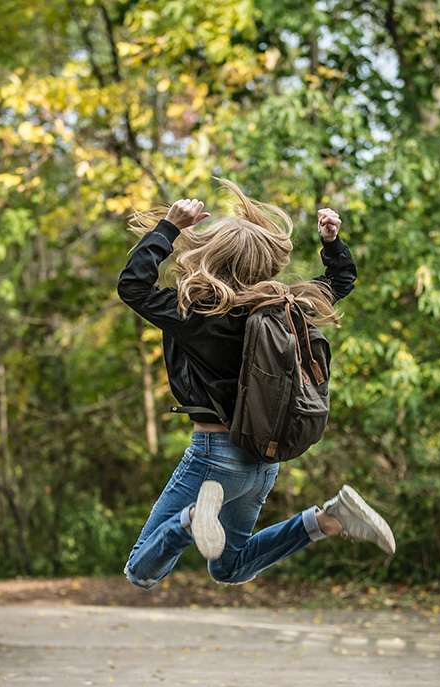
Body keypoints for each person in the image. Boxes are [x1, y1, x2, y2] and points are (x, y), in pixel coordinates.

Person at [118, 179, 395, 590]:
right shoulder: (288, 307)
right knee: (229, 568)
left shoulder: (194, 313)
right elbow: (340, 282)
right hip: (262, 461)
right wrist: (332, 243)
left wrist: (169, 227)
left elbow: (133, 286)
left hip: (213, 458)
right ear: (265, 261)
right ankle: (329, 519)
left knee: (140, 571)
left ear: (211, 255)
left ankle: (193, 519)